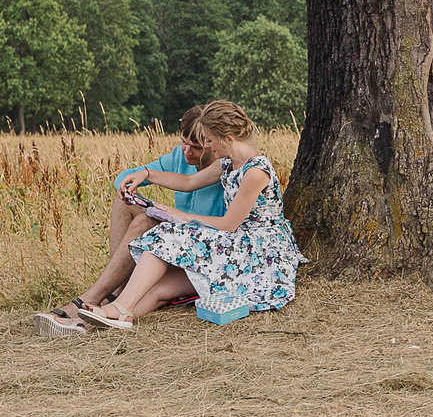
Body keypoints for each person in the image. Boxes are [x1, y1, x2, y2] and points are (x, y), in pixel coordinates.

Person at [77, 99, 304, 329]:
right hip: (236, 243)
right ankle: (116, 314)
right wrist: (146, 174)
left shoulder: (256, 171)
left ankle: (119, 307)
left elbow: (229, 224)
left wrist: (183, 217)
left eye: (209, 139)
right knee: (161, 281)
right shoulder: (228, 163)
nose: (207, 145)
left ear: (226, 137)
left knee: (168, 234)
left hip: (257, 251)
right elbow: (189, 182)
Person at [33, 105, 226, 334]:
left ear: (212, 143)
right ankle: (116, 288)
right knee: (125, 205)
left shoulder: (225, 166)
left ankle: (91, 301)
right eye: (184, 142)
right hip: (177, 236)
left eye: (195, 147)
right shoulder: (178, 157)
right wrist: (131, 190)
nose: (187, 152)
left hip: (201, 244)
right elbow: (124, 178)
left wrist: (175, 217)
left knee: (145, 222)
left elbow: (221, 221)